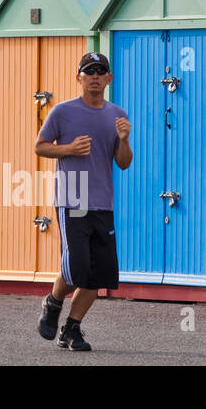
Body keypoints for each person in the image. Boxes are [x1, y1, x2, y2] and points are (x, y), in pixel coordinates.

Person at [34, 51, 132, 351]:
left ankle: (71, 329)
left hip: (103, 203)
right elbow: (40, 147)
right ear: (79, 77)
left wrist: (125, 140)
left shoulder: (117, 115)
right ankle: (53, 302)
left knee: (98, 273)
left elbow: (124, 163)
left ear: (109, 78)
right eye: (89, 71)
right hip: (72, 197)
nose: (95, 76)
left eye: (100, 71)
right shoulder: (62, 112)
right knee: (77, 267)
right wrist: (69, 149)